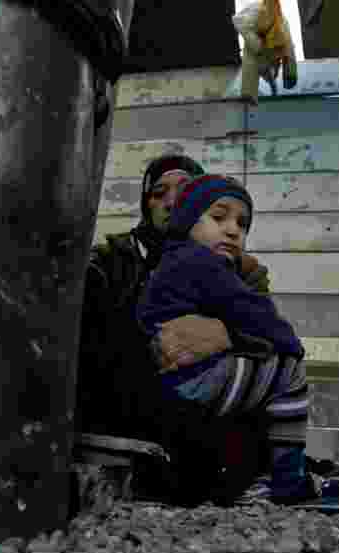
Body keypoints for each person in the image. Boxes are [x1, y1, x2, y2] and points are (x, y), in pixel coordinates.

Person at [76, 155, 275, 504]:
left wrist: (224, 332)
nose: (170, 201)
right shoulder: (112, 260)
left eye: (184, 191)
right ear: (145, 204)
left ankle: (235, 481)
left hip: (204, 426)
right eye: (158, 193)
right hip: (125, 414)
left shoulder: (241, 271)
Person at [136, 174, 316, 504]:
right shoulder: (202, 263)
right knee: (291, 373)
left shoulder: (172, 263)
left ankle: (260, 476)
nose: (233, 229)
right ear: (188, 222)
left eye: (242, 224)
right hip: (197, 380)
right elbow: (256, 315)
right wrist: (289, 342)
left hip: (173, 384)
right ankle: (287, 479)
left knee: (267, 375)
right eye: (218, 217)